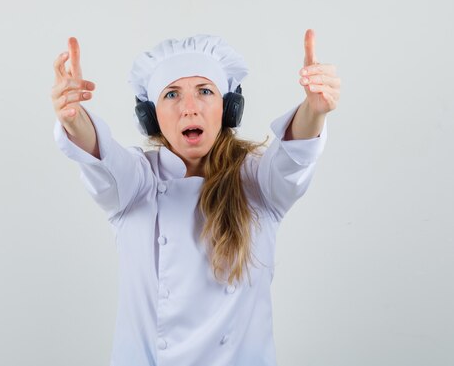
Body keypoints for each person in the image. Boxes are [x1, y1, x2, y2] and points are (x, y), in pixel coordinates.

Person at [50, 30, 341, 366]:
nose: (189, 108)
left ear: (228, 107)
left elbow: (293, 156)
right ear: (151, 115)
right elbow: (100, 157)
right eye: (172, 94)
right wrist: (73, 118)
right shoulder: (136, 184)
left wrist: (314, 110)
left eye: (205, 91)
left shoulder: (258, 182)